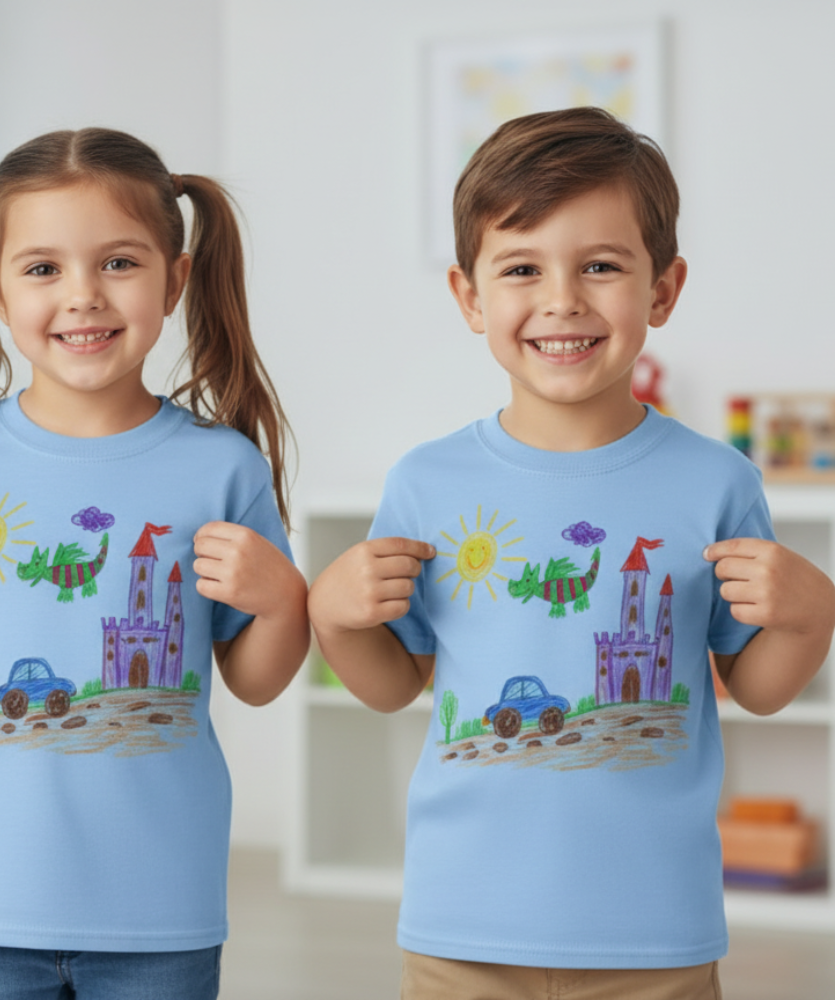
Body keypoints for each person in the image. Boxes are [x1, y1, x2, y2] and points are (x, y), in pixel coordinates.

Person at [308, 107, 835, 1000]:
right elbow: (396, 685)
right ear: (470, 296)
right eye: (521, 269)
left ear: (663, 289)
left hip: (657, 937)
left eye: (601, 265)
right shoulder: (426, 482)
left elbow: (758, 687)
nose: (563, 300)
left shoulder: (717, 482)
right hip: (460, 930)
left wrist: (813, 612)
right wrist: (332, 614)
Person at [0, 127, 309, 1000]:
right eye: (43, 268)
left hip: (160, 905)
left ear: (177, 276)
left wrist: (284, 604)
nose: (83, 297)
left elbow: (255, 680)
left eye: (120, 262)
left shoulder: (221, 466)